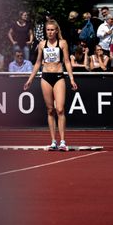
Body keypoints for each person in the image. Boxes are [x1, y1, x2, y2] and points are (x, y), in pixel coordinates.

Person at [24, 19, 77, 152]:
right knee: (50, 110)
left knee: (60, 109)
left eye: (52, 29)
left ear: (56, 30)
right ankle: (53, 141)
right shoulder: (42, 44)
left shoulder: (62, 43)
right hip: (45, 76)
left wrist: (71, 79)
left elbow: (67, 62)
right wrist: (30, 79)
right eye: (48, 30)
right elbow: (37, 63)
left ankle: (63, 141)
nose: (50, 32)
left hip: (58, 76)